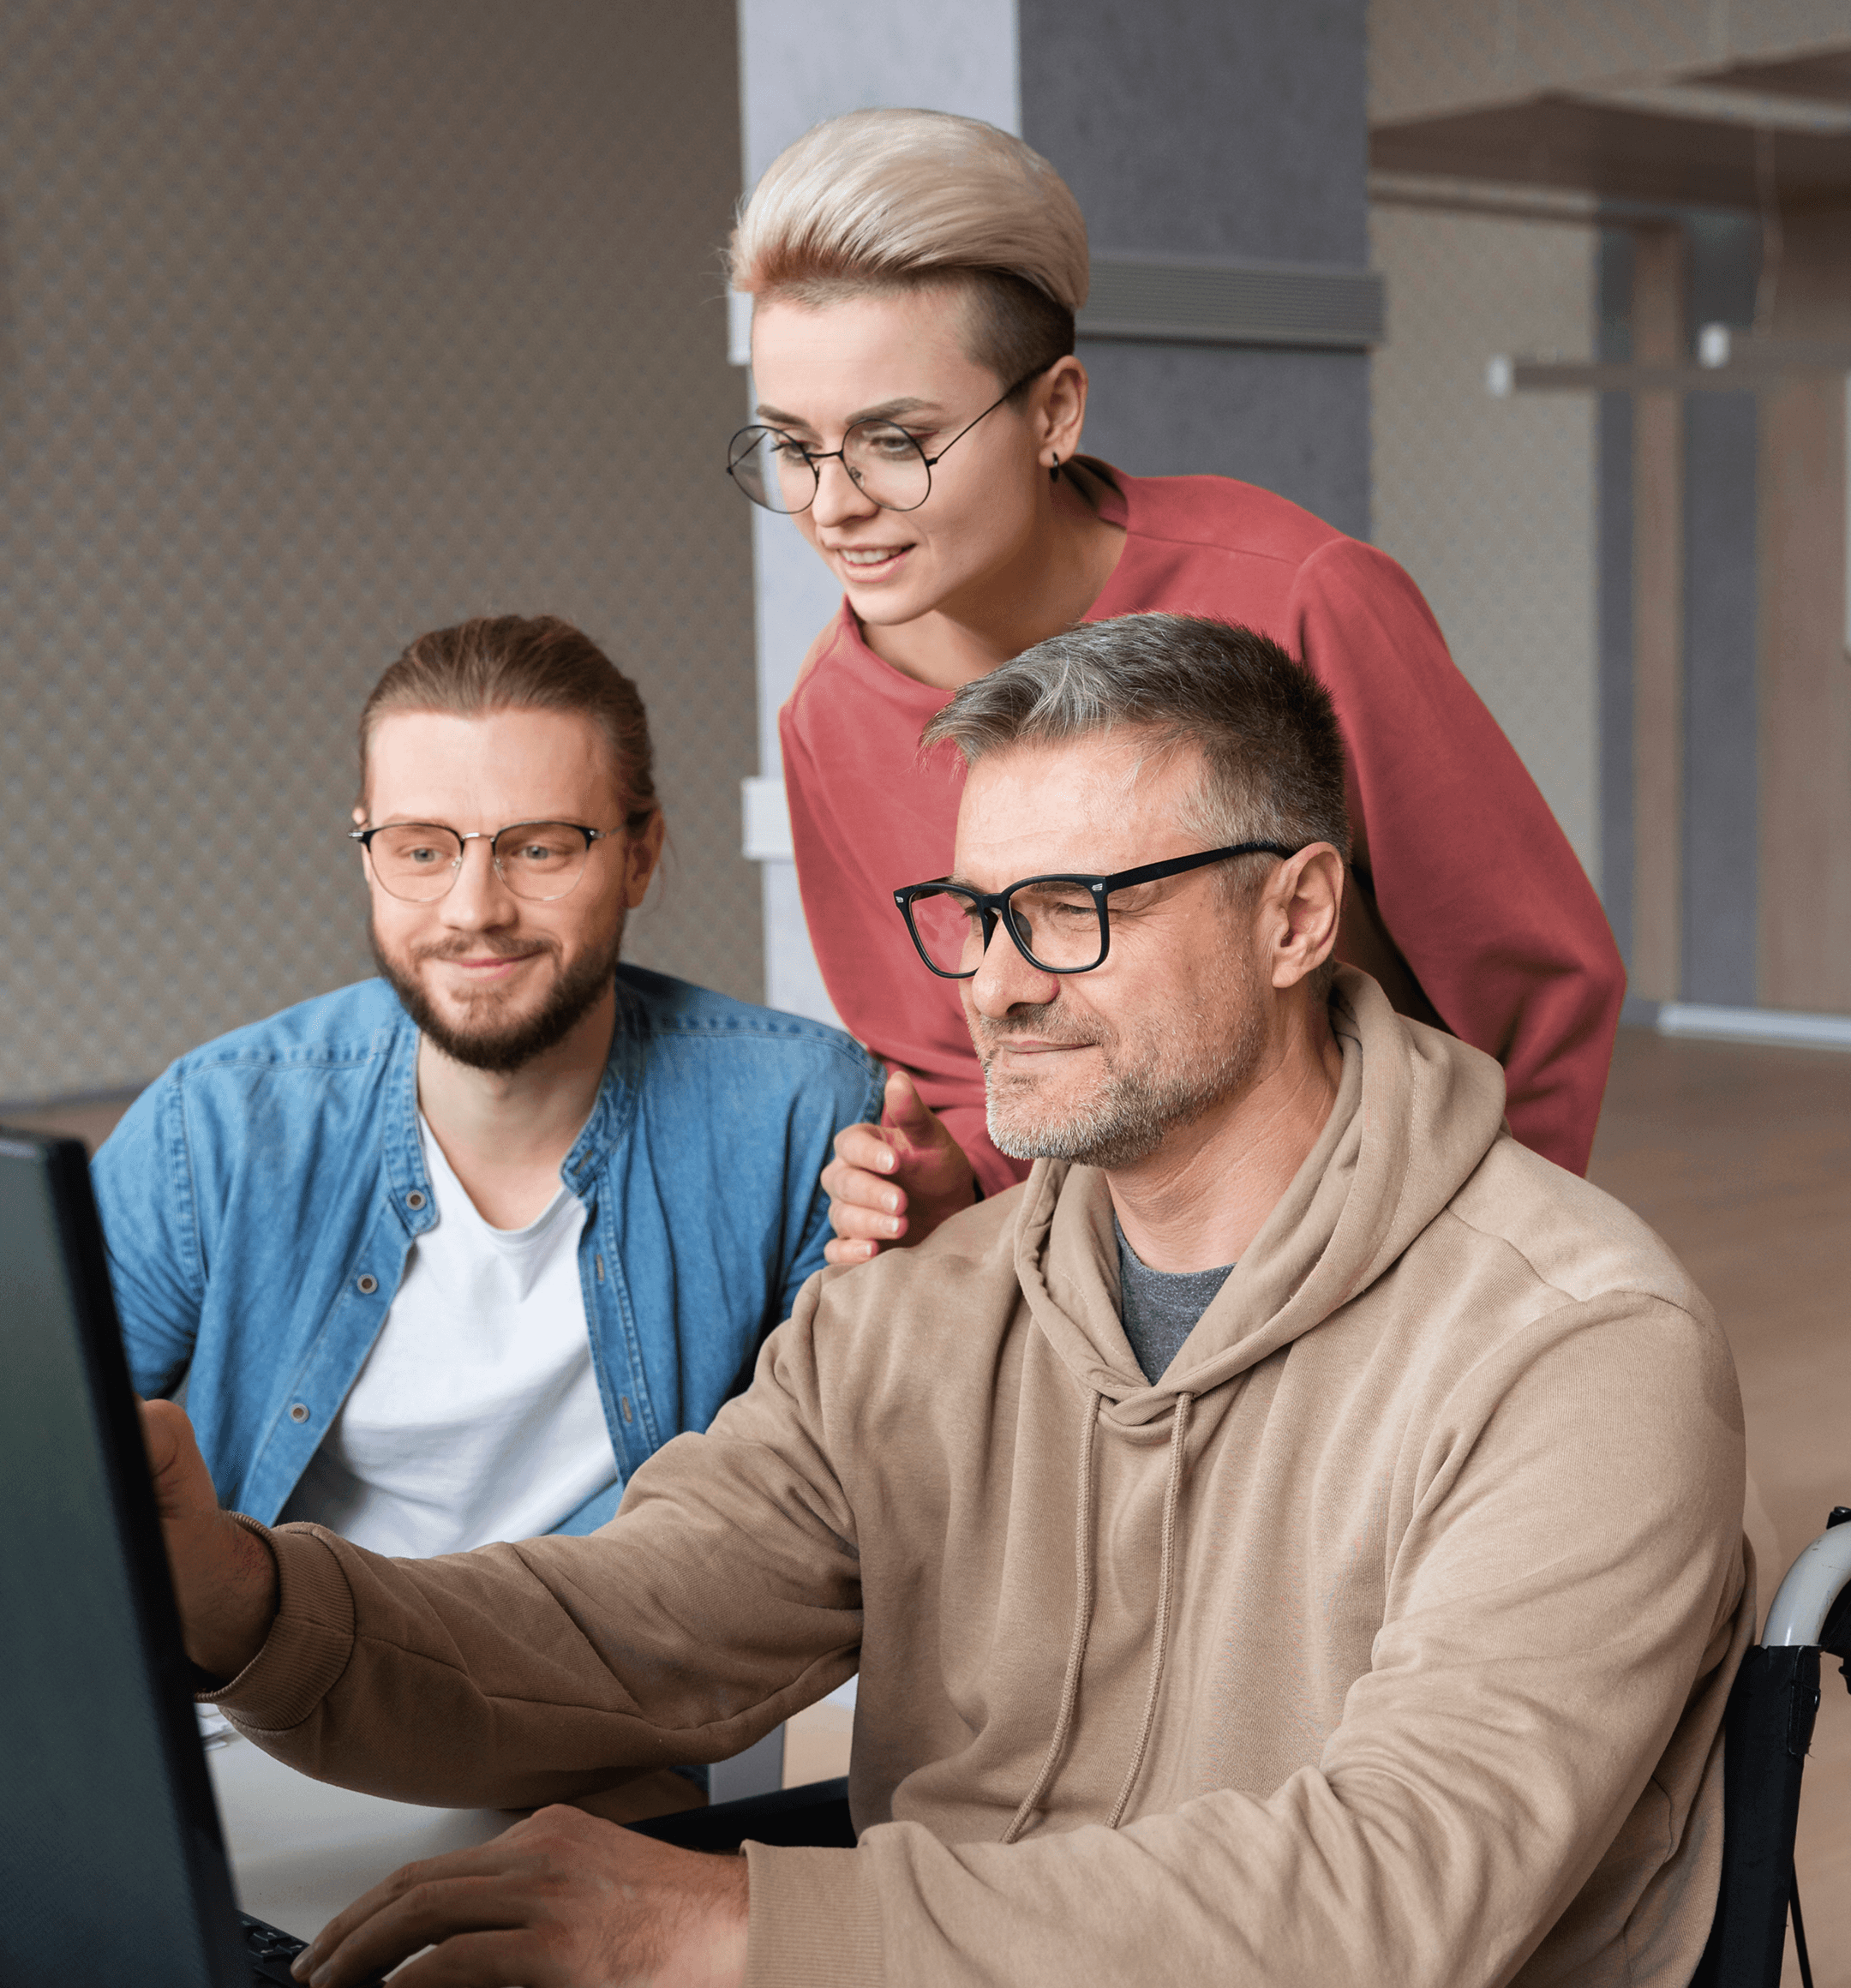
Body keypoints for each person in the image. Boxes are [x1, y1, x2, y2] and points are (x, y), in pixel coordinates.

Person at [146, 616, 1745, 1988]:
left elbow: (1388, 1891)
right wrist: (242, 1598)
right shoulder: (924, 1318)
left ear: (1297, 916)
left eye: (1072, 906)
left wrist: (747, 1928)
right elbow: (629, 1629)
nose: (993, 984)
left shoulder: (1577, 1345)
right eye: (975, 912)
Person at [720, 108, 1626, 1265]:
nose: (834, 505)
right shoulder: (828, 720)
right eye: (791, 446)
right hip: (1111, 1304)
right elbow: (970, 1081)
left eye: (896, 440)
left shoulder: (1306, 595)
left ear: (1053, 412)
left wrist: (1492, 1278)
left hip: (1403, 1250)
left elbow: (1536, 985)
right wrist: (951, 1180)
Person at [99, 613, 883, 1556]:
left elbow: (837, 1505)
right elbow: (42, 1457)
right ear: (368, 853)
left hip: (612, 1694)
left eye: (541, 848)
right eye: (422, 850)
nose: (475, 910)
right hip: (266, 1693)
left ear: (639, 856)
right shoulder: (213, 1125)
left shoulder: (801, 1111)